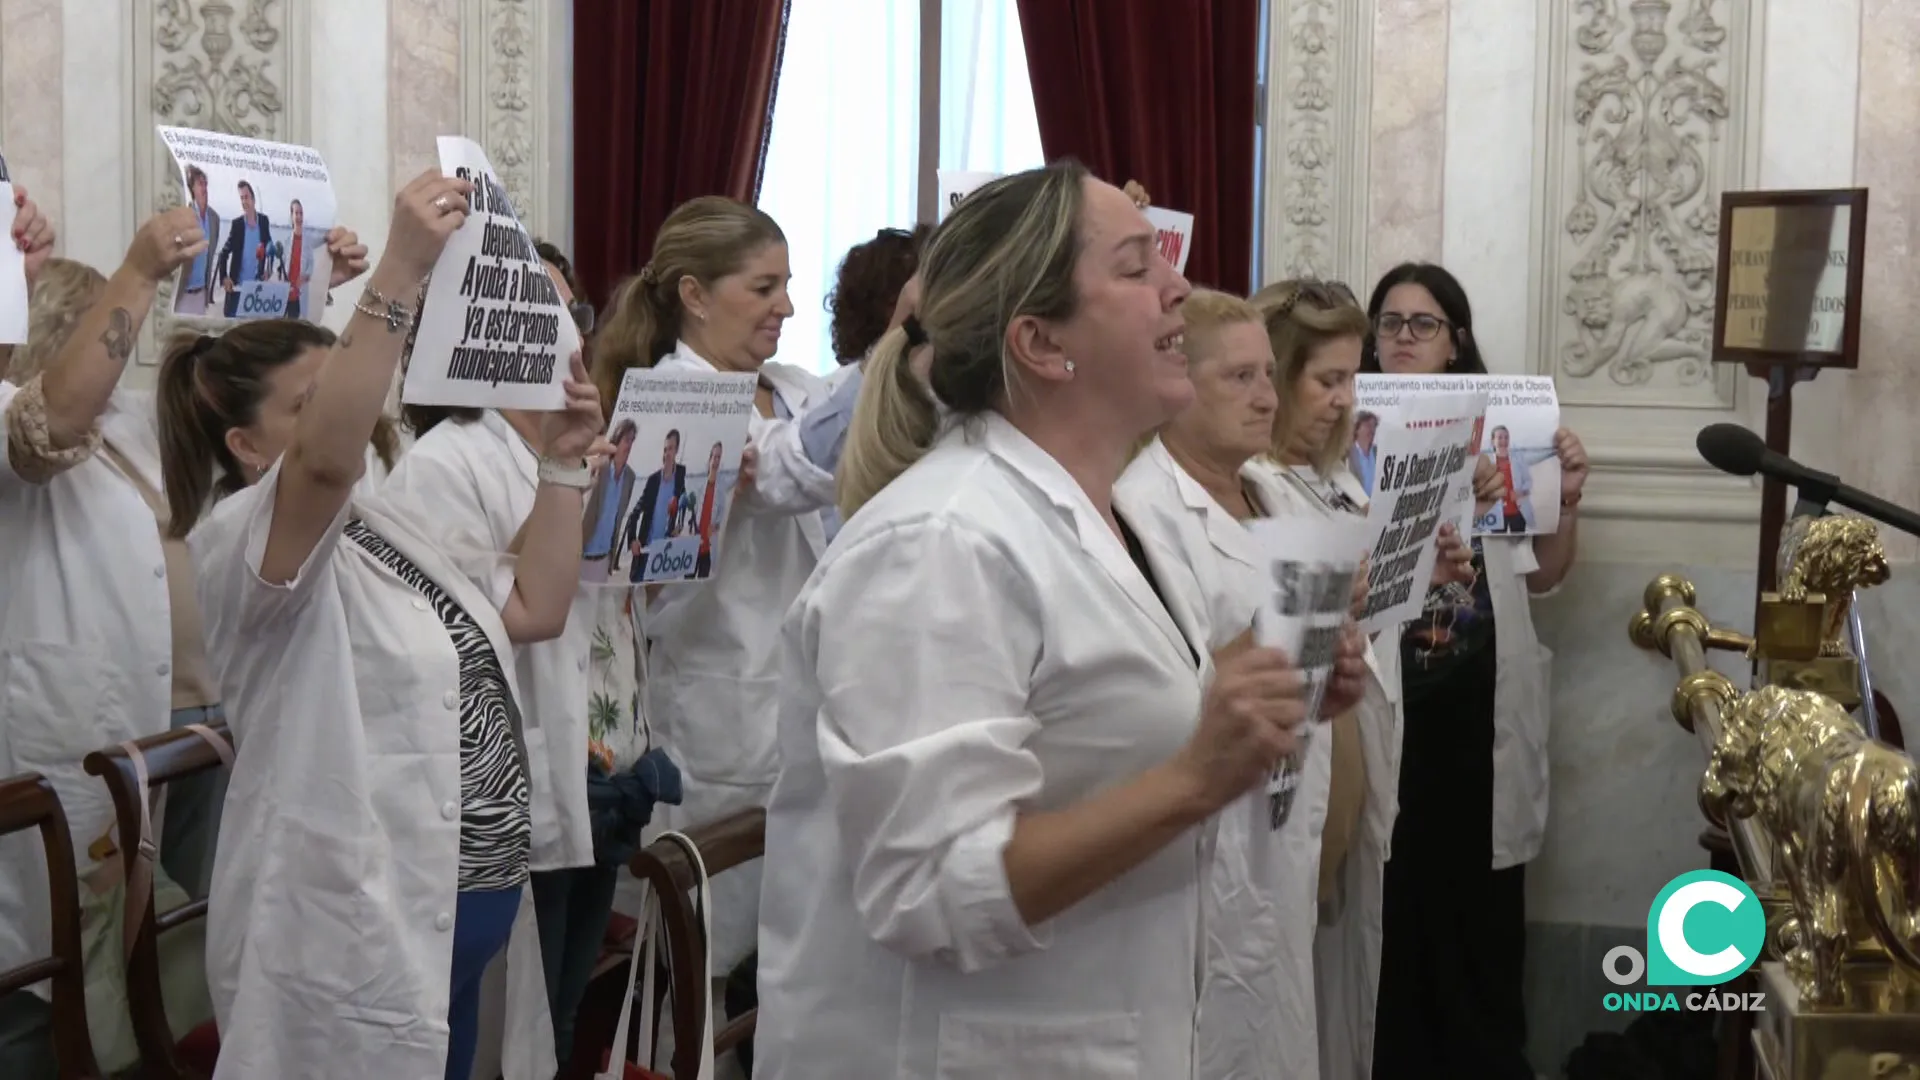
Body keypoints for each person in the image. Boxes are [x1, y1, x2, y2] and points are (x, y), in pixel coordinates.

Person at [755, 161, 1314, 1078]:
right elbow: (928, 886)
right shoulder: (940, 544)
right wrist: (1192, 779)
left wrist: (1258, 688)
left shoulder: (1117, 513)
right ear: (1043, 343)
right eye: (1137, 269)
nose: (1180, 286)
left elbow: (1104, 725)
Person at [161, 171, 602, 1080]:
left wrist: (562, 464)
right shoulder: (244, 537)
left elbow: (535, 609)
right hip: (359, 934)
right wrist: (399, 270)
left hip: (458, 916)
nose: (345, 420)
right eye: (308, 403)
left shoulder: (385, 524)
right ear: (246, 446)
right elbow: (322, 462)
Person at [385, 244, 659, 1071]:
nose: (565, 335)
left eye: (566, 313)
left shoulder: (569, 437)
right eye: (539, 314)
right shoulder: (445, 462)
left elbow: (601, 583)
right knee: (514, 1020)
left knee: (565, 1006)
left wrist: (594, 480)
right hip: (513, 771)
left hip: (595, 754)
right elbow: (470, 618)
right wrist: (562, 483)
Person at [591, 195, 842, 971]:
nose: (787, 306)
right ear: (695, 295)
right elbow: (788, 471)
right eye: (763, 287)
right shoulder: (675, 396)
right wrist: (917, 339)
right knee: (709, 961)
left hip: (796, 707)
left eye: (788, 284)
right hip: (720, 717)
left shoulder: (793, 384)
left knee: (787, 957)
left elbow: (863, 424)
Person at [1361, 262, 1587, 1079]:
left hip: (1479, 713)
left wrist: (1569, 493)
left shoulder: (1505, 426)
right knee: (1390, 918)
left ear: (1456, 342)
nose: (1405, 338)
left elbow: (1549, 572)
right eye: (1391, 322)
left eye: (1424, 324)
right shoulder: (1340, 429)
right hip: (1386, 709)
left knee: (1480, 920)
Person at [582, 418, 637, 581]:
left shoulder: (630, 478)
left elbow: (618, 519)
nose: (630, 446)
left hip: (604, 560)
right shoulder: (599, 467)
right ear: (616, 441)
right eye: (627, 440)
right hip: (581, 555)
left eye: (632, 441)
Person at [218, 179, 271, 317]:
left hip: (256, 292)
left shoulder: (264, 222)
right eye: (241, 198)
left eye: (246, 197)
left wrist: (268, 271)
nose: (244, 202)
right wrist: (224, 277)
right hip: (237, 289)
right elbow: (223, 254)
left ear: (253, 199)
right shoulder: (237, 225)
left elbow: (270, 250)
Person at [177, 166, 221, 316]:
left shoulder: (214, 219)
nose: (204, 188)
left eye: (205, 183)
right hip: (183, 295)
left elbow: (210, 256)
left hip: (202, 295)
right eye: (200, 184)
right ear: (192, 189)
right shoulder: (184, 216)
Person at [1485, 424, 1533, 532]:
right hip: (1496, 513)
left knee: (1518, 545)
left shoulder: (1518, 459)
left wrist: (1520, 492)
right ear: (1493, 441)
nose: (1504, 440)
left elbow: (1529, 481)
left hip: (1517, 511)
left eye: (1506, 437)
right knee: (1498, 545)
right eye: (1500, 437)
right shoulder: (1487, 462)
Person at [1349, 410, 1378, 493]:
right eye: (1368, 425)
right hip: (1358, 504)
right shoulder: (1347, 454)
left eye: (1374, 426)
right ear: (1357, 429)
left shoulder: (1379, 452)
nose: (1372, 429)